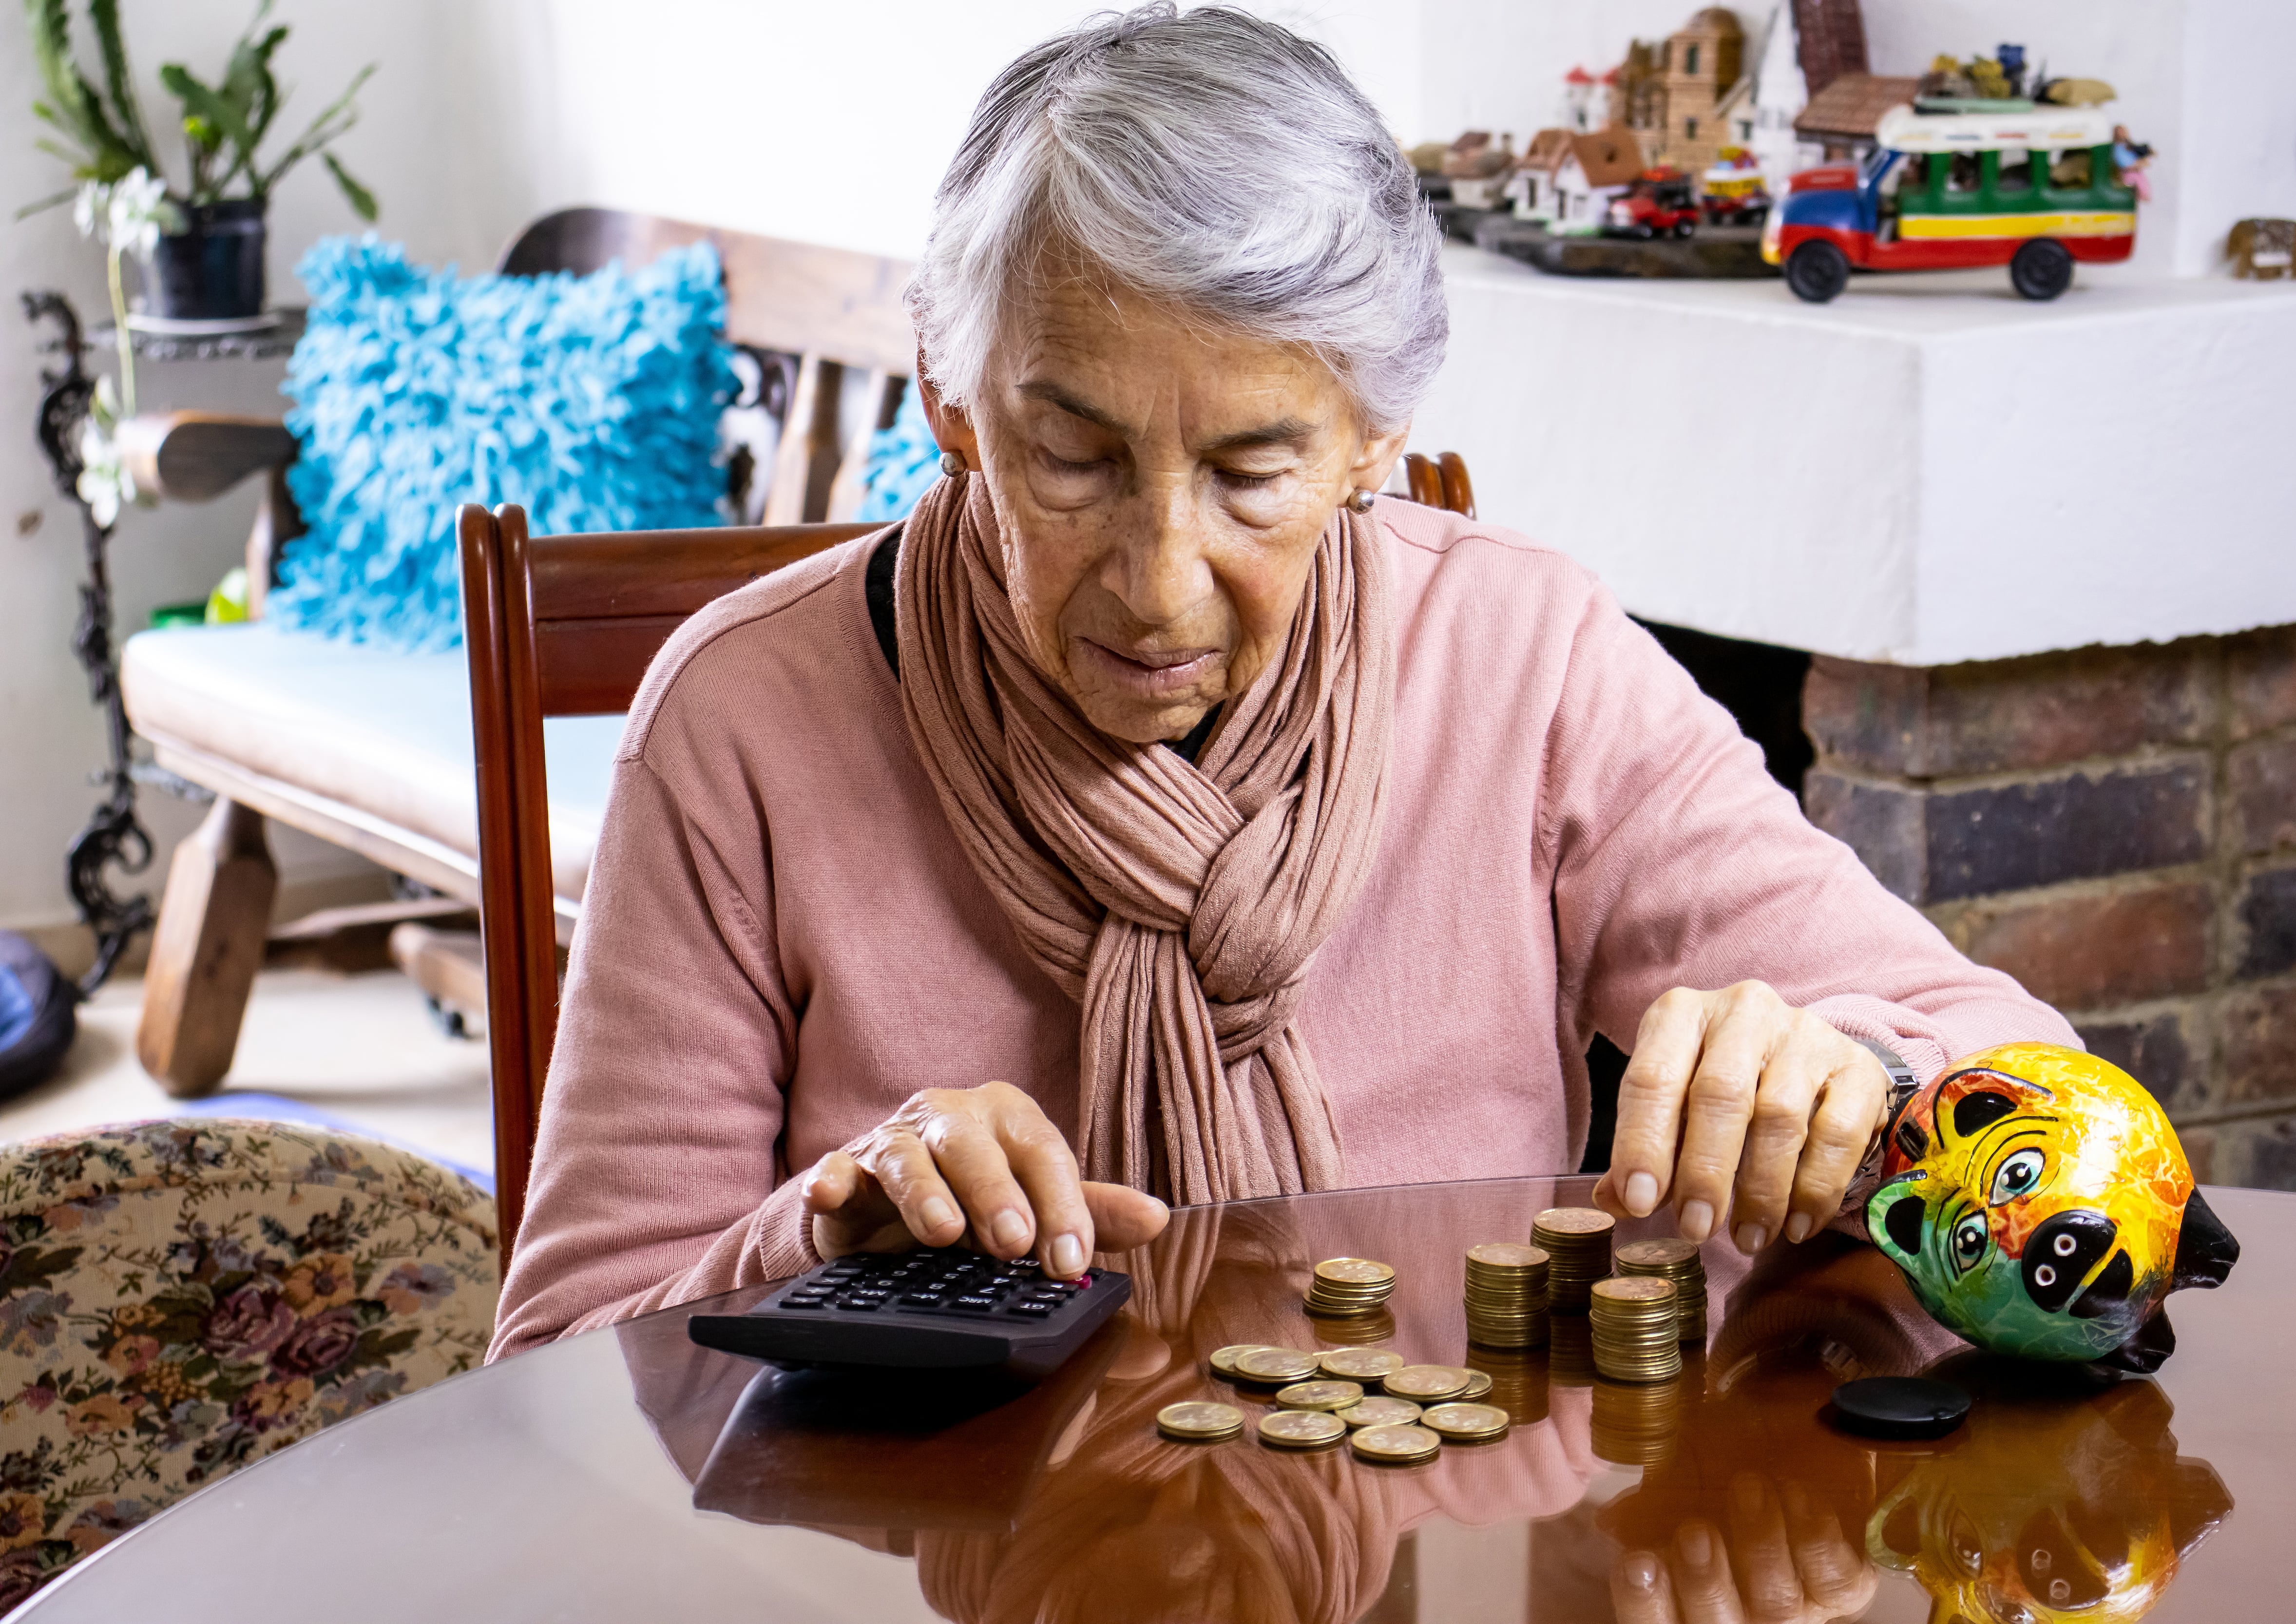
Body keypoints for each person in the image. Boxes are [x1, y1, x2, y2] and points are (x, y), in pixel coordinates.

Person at [489, 5, 2074, 1358]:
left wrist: (1865, 1076)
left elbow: (2045, 1098)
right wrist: (812, 1244)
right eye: (1073, 456)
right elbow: (561, 1368)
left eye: (1255, 471)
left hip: (1435, 1541)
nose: (1158, 582)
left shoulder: (1523, 660)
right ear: (951, 398)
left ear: (1375, 438)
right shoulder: (743, 722)